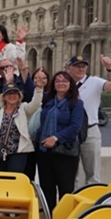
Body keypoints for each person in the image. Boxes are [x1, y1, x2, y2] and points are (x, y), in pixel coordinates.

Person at [67, 54, 111, 186]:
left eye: (83, 66)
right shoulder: (64, 83)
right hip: (69, 132)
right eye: (77, 66)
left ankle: (91, 202)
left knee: (93, 174)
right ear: (69, 68)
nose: (81, 69)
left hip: (90, 131)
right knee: (69, 173)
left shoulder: (95, 82)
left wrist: (110, 69)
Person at [36, 70, 85, 211]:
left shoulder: (76, 103)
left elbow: (75, 127)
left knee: (65, 188)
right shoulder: (48, 101)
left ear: (70, 84)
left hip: (64, 151)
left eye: (64, 81)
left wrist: (55, 138)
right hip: (44, 150)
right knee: (47, 188)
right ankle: (50, 218)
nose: (61, 83)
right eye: (58, 81)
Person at [0, 81, 43, 174]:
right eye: (9, 94)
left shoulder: (23, 108)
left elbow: (35, 104)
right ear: (4, 97)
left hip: (18, 152)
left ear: (19, 96)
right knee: (1, 179)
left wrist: (38, 90)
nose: (12, 96)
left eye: (14, 94)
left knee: (14, 178)